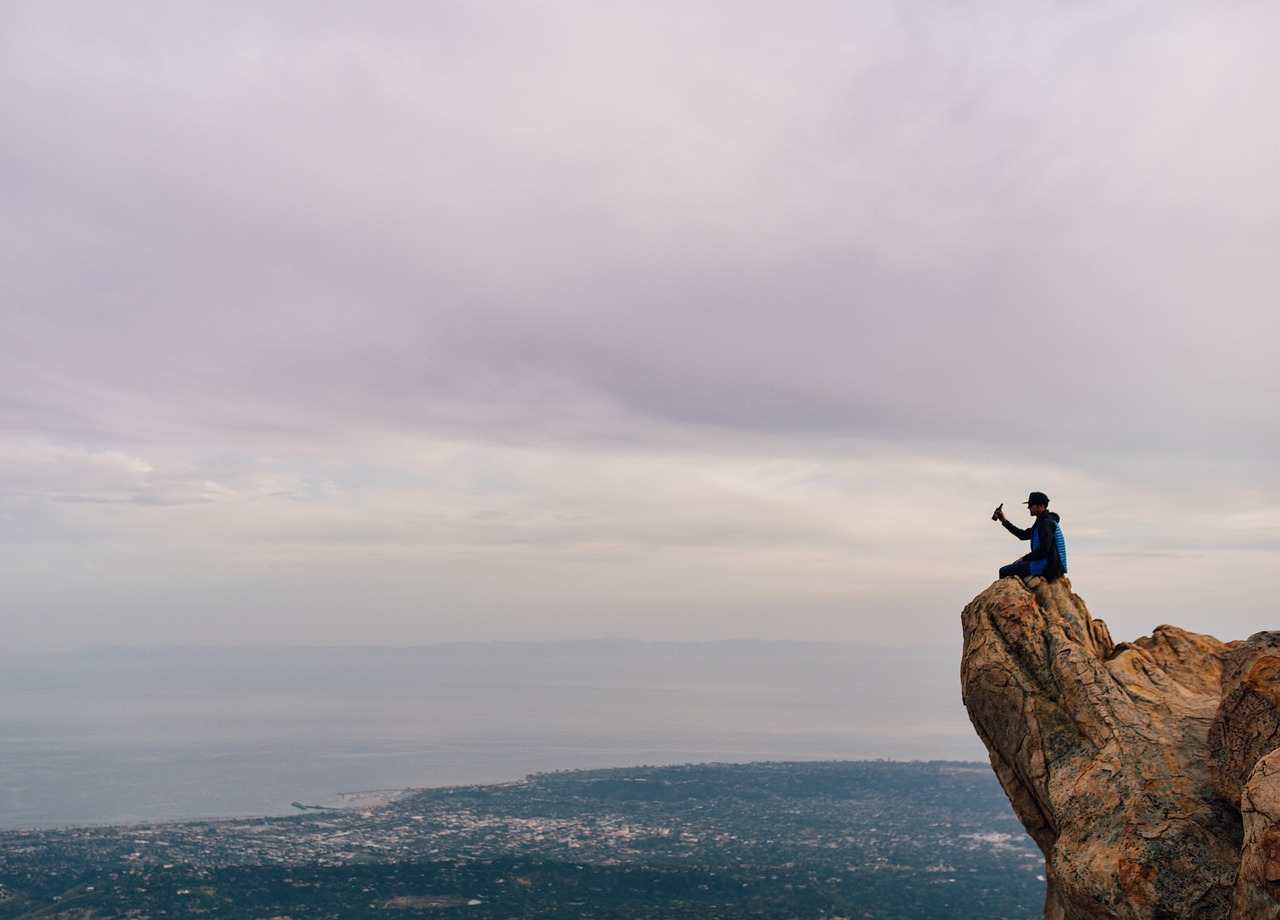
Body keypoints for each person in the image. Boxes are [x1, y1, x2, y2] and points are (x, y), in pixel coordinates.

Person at [993, 491, 1067, 581]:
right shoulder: (1042, 522)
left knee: (1004, 571)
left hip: (1049, 566)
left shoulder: (1045, 523)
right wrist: (1004, 521)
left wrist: (1024, 558)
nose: (1028, 507)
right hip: (1049, 563)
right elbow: (1022, 535)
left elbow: (1044, 549)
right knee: (1013, 568)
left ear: (1041, 505)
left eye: (1031, 504)